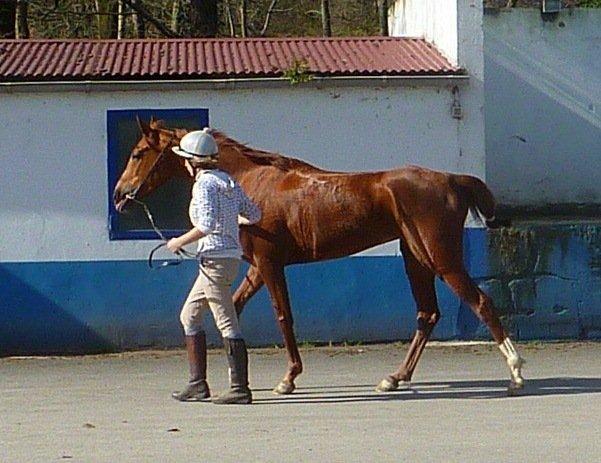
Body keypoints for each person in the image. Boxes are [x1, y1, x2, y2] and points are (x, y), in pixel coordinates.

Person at [167, 128, 261, 405]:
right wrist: (233, 224)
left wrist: (177, 242)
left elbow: (206, 225)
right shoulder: (228, 181)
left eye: (185, 159)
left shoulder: (204, 184)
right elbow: (254, 214)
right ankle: (198, 384)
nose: (184, 164)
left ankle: (239, 387)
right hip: (226, 257)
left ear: (193, 162)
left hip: (215, 260)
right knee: (189, 315)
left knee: (226, 321)